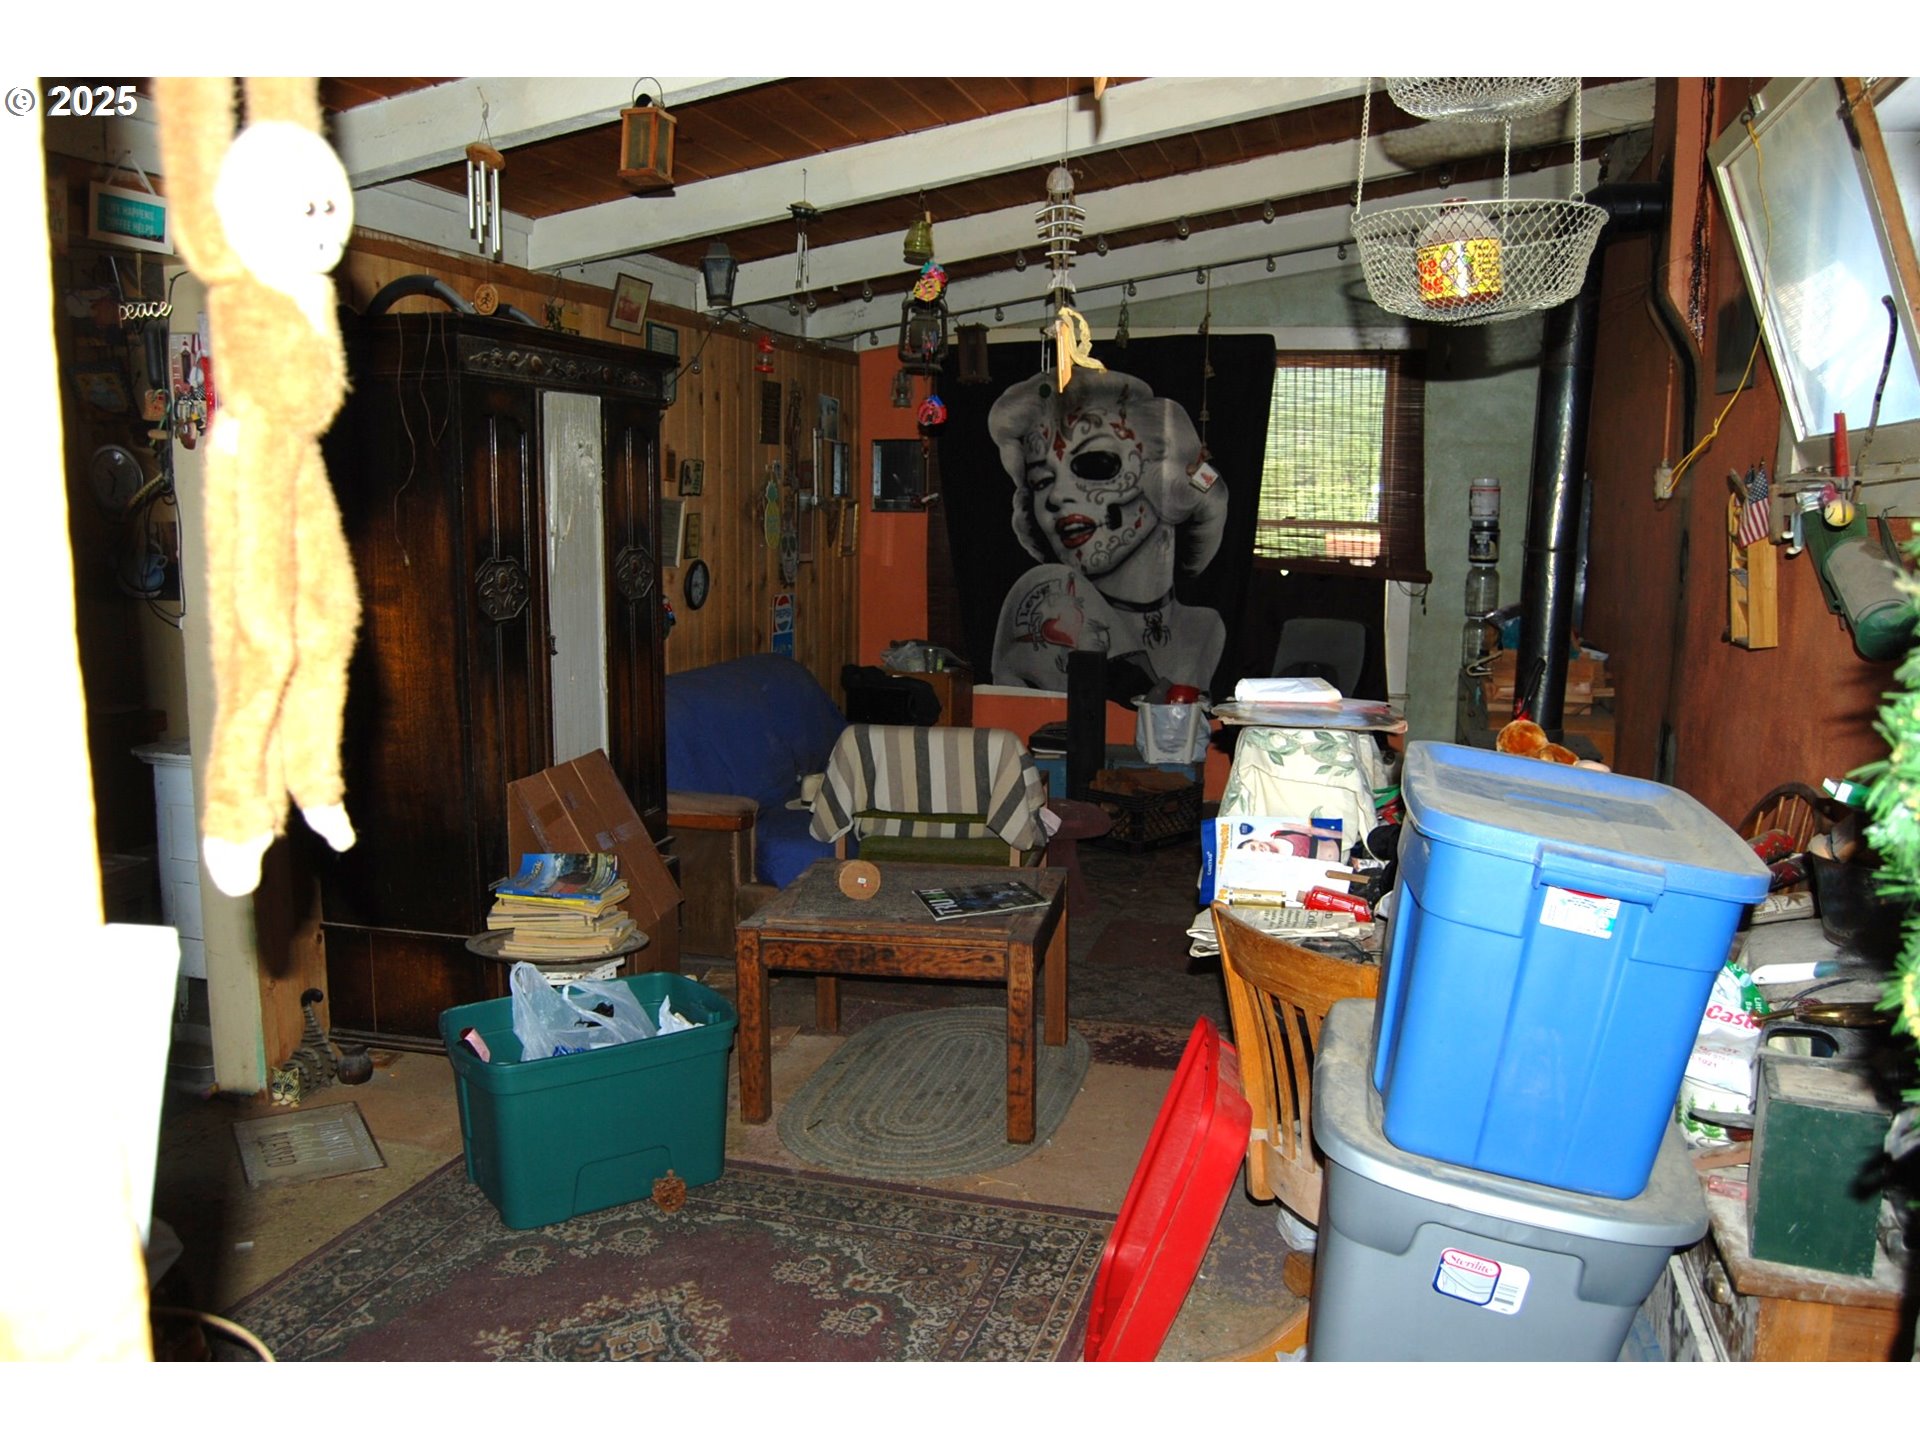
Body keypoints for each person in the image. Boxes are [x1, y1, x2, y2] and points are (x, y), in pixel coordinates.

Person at [987, 369, 1229, 693]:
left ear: (1164, 480)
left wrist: (1202, 479)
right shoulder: (1047, 594)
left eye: (1095, 464)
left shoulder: (1206, 628)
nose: (1056, 496)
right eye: (1042, 482)